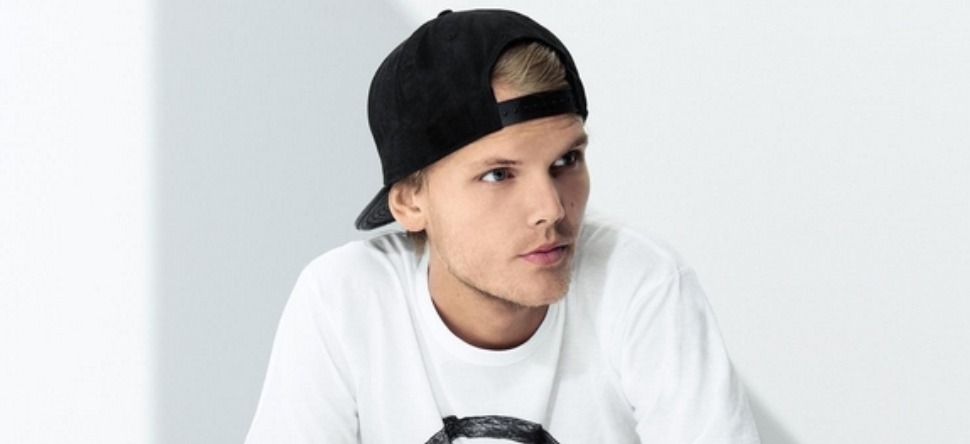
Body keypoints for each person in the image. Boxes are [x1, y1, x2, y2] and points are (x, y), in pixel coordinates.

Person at [246, 9, 760, 443]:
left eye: (566, 161)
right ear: (409, 202)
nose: (551, 210)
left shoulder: (640, 284)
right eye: (498, 174)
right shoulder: (345, 302)